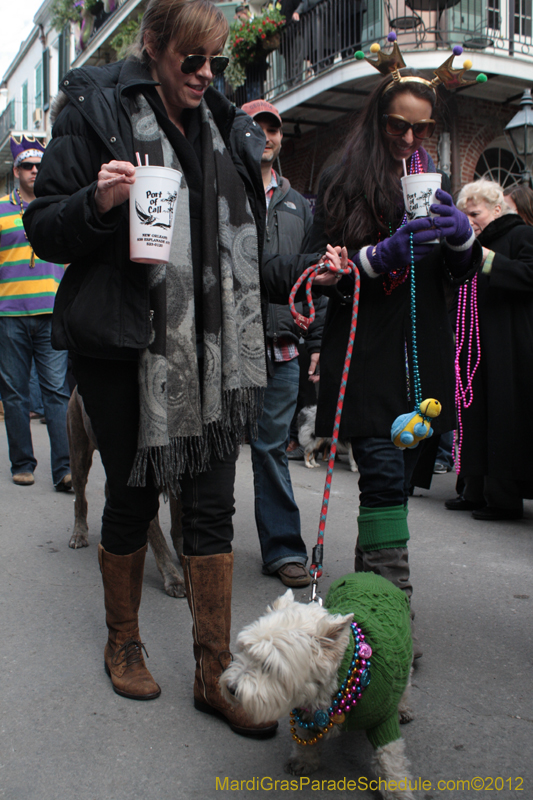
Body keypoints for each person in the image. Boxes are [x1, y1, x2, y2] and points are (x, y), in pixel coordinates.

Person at [24, 0, 341, 736]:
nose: (205, 74)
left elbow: (252, 257)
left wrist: (306, 275)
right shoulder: (95, 107)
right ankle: (123, 640)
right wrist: (101, 201)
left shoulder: (230, 129)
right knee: (133, 496)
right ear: (155, 47)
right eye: (190, 60)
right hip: (122, 342)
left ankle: (211, 671)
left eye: (216, 62)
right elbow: (46, 228)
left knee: (208, 508)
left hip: (216, 349)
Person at [303, 67, 482, 652]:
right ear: (378, 119)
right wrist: (376, 257)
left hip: (422, 362)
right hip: (367, 356)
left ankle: (366, 610)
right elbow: (317, 268)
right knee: (382, 480)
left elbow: (460, 277)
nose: (409, 140)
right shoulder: (341, 175)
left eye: (421, 129)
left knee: (397, 493)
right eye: (398, 127)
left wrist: (461, 240)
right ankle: (392, 628)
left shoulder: (434, 175)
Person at [241, 99, 326, 587]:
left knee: (271, 446)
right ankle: (204, 543)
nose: (267, 136)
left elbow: (315, 280)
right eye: (257, 128)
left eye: (273, 129)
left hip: (285, 347)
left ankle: (284, 550)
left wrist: (314, 343)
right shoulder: (227, 192)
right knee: (213, 446)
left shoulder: (301, 206)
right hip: (233, 343)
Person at [445, 178, 533, 520]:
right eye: (465, 215)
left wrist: (490, 262)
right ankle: (474, 490)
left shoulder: (521, 235)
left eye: (476, 213)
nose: (470, 221)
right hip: (473, 350)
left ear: (497, 209)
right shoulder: (470, 246)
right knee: (474, 418)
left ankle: (503, 499)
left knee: (502, 420)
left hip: (506, 350)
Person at [0, 136, 71, 490]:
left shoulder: (56, 207)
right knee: (15, 394)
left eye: (39, 166)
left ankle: (65, 469)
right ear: (16, 171)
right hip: (9, 314)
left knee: (57, 392)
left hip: (51, 313)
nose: (34, 172)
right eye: (28, 166)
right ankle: (22, 463)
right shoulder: (0, 209)